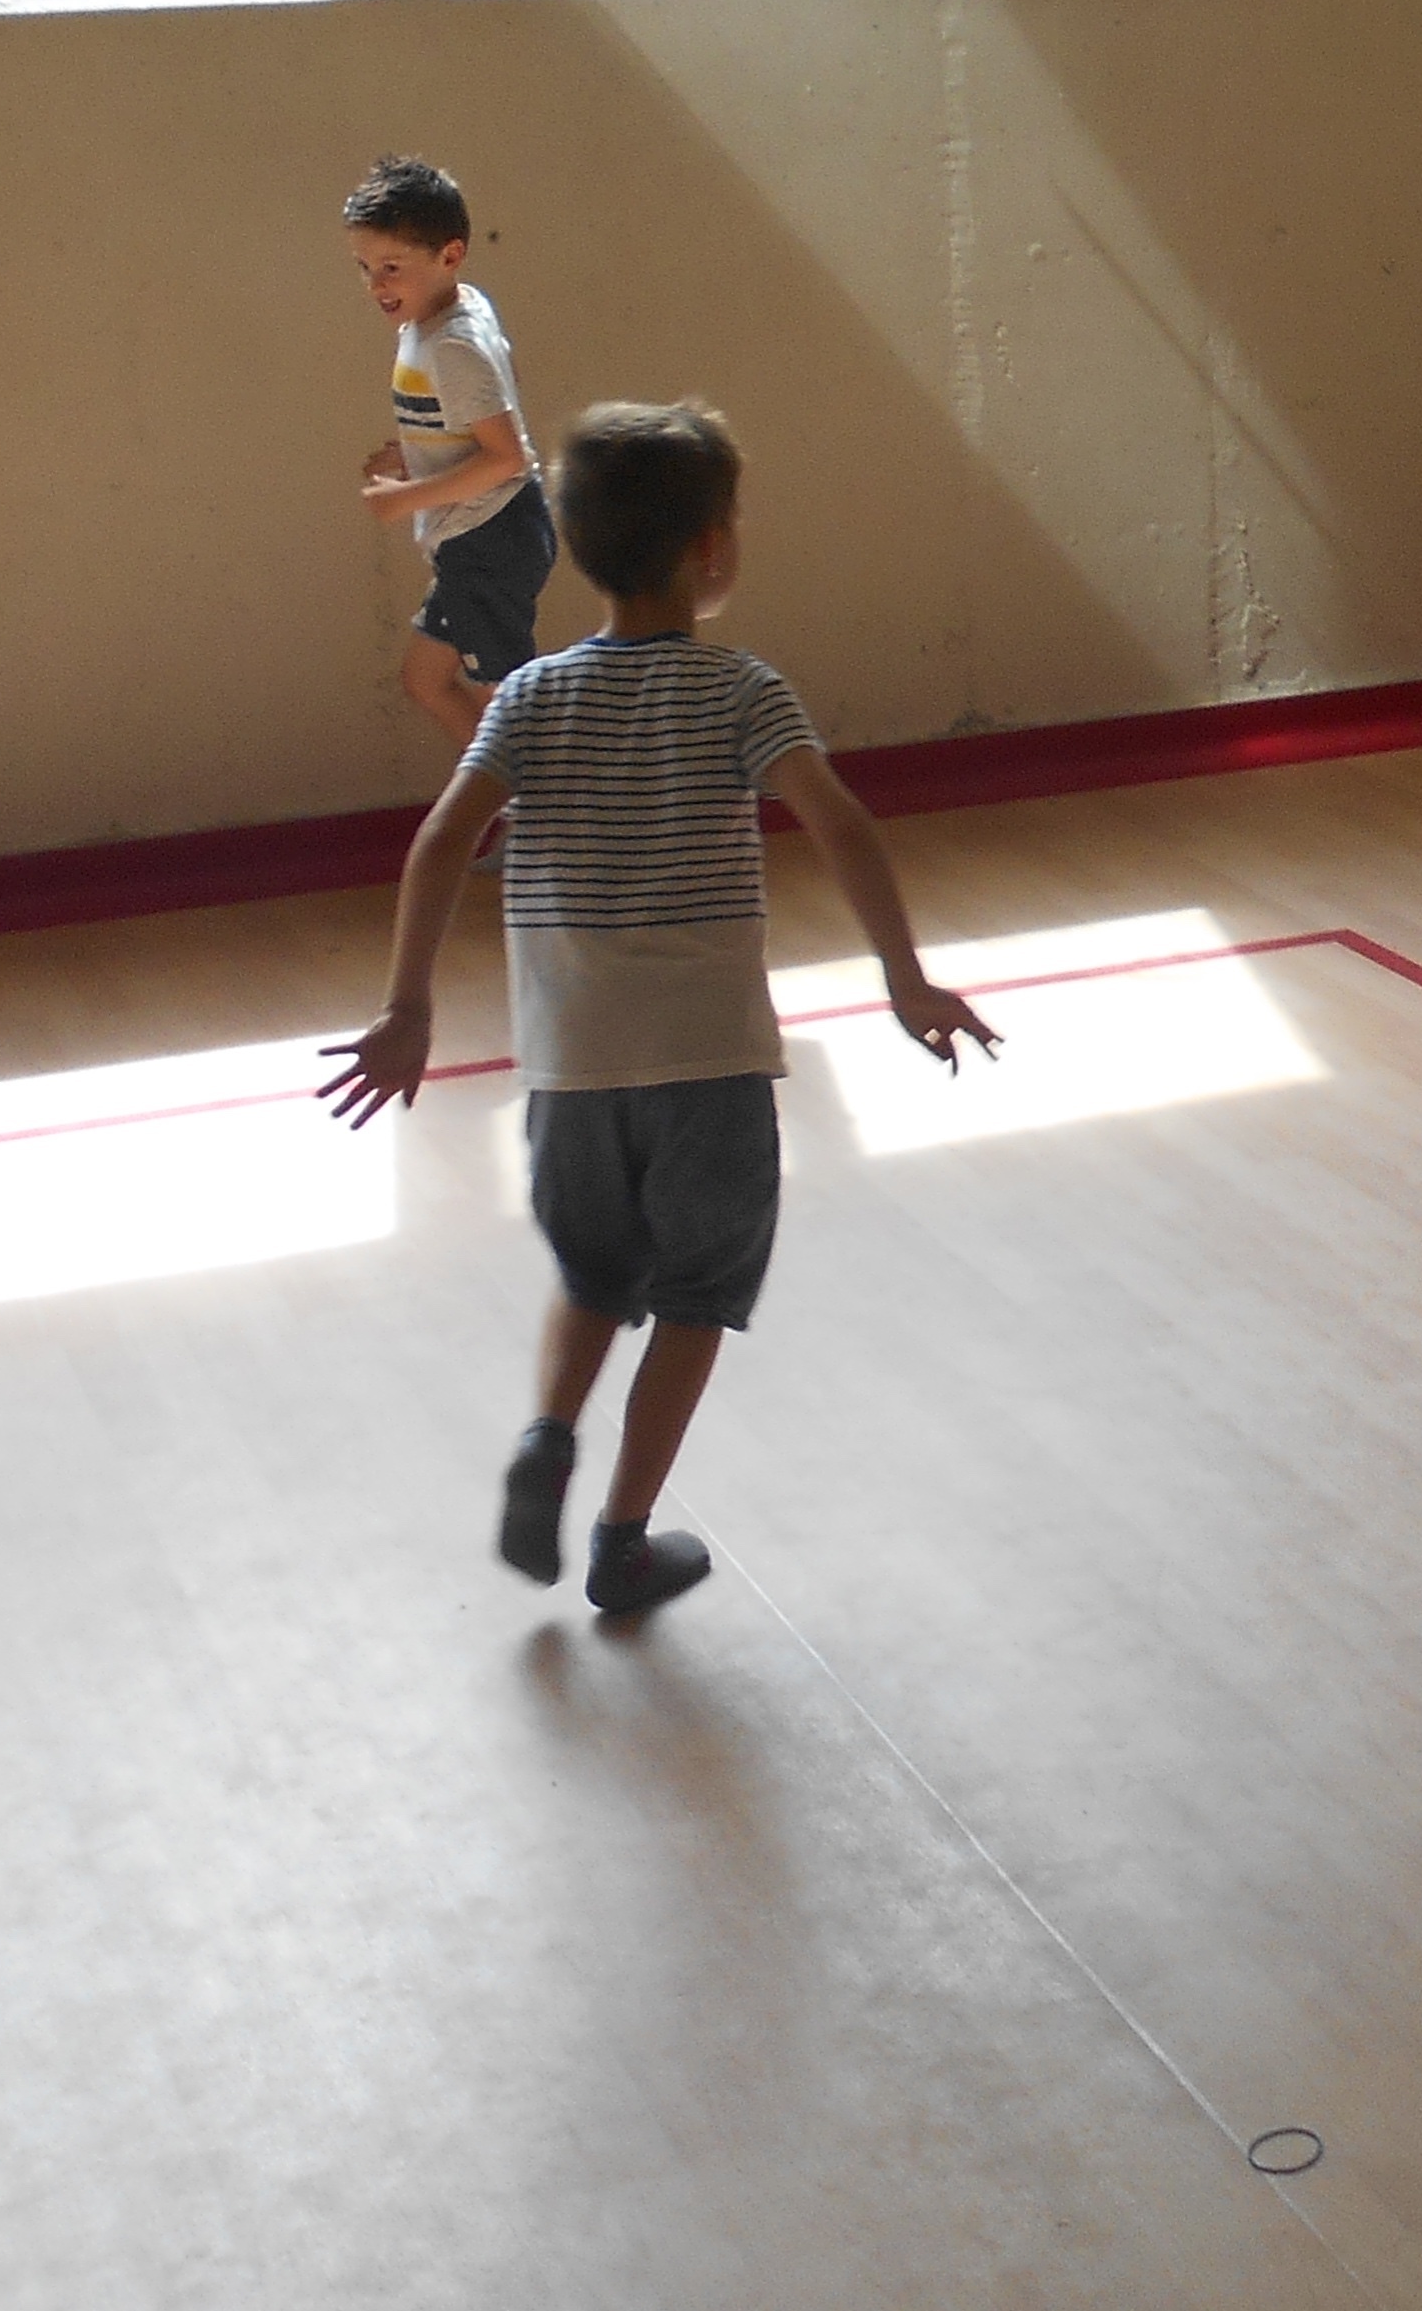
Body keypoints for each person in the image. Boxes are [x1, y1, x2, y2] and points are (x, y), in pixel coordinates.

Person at [318, 400, 997, 1620]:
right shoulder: (741, 689)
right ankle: (622, 1540)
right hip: (709, 1069)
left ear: (578, 548)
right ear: (711, 549)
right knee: (693, 1299)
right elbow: (839, 822)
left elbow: (442, 841)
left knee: (593, 1276)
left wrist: (408, 1008)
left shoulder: (528, 696)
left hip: (569, 1069)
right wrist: (904, 978)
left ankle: (546, 1437)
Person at [343, 157, 553, 752]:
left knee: (507, 707)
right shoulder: (448, 313)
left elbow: (506, 458)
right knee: (425, 679)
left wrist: (408, 497)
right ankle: (508, 794)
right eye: (365, 269)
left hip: (490, 540)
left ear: (450, 255)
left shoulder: (452, 347)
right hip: (474, 541)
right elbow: (492, 403)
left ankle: (536, 798)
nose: (377, 286)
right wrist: (417, 454)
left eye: (391, 268)